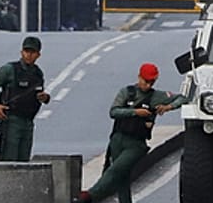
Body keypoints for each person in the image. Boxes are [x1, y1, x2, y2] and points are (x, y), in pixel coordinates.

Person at [75, 63, 187, 203]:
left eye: (151, 82)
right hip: (118, 139)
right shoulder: (126, 92)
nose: (147, 85)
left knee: (115, 171)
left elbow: (183, 98)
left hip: (136, 144)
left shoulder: (157, 96)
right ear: (139, 77)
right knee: (122, 179)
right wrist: (134, 112)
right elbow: (114, 111)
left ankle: (89, 196)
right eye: (145, 81)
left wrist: (168, 107)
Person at [0, 36, 51, 161]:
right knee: (9, 159)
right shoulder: (10, 69)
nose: (29, 55)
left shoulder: (38, 73)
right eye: (26, 51)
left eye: (32, 52)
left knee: (24, 160)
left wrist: (44, 97)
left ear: (38, 55)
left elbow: (39, 94)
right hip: (11, 120)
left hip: (28, 121)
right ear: (21, 52)